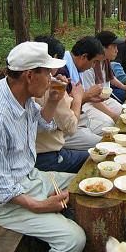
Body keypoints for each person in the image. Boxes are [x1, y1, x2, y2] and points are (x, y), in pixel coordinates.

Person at [0, 42, 86, 252]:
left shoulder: (17, 93)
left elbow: (41, 122)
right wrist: (40, 206)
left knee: (84, 183)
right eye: (48, 73)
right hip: (3, 201)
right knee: (73, 240)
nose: (52, 78)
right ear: (30, 76)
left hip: (30, 177)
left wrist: (53, 101)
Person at [33, 36, 94, 170]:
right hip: (47, 156)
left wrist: (65, 95)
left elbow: (46, 118)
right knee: (97, 155)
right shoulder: (46, 84)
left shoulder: (43, 81)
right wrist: (78, 98)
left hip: (43, 149)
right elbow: (71, 127)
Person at [62, 36, 117, 140]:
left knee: (109, 127)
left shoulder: (75, 67)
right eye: (94, 61)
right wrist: (86, 96)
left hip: (78, 117)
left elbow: (78, 98)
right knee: (101, 144)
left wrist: (88, 98)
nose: (93, 66)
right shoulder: (63, 72)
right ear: (84, 57)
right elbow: (63, 110)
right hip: (65, 127)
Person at [82, 31, 126, 105]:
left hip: (106, 98)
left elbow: (111, 78)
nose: (117, 51)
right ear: (103, 48)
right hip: (93, 103)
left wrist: (124, 87)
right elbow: (90, 99)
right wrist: (112, 115)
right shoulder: (89, 67)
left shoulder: (105, 61)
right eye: (114, 47)